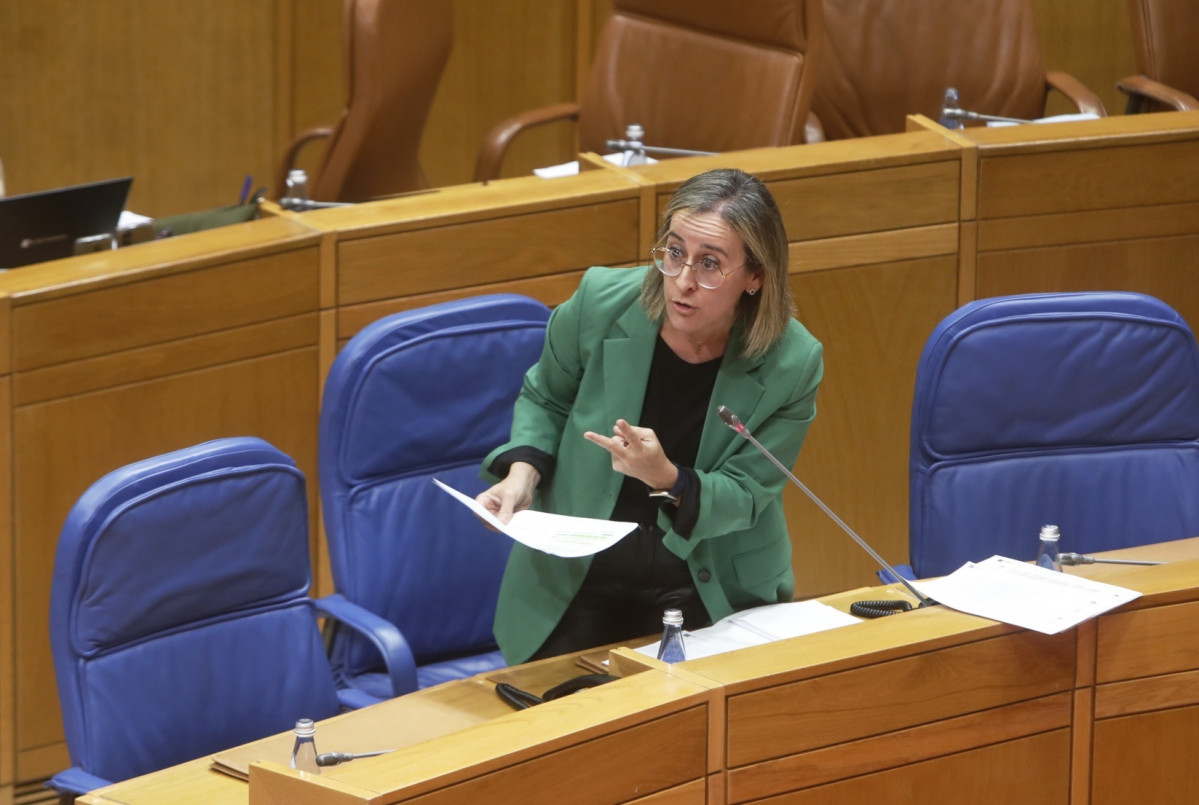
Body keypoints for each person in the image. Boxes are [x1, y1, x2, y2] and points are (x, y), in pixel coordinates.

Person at [477, 167, 823, 664]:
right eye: (675, 252)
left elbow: (749, 493)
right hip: (580, 575)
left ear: (755, 275)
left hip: (704, 580)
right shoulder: (599, 301)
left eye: (710, 264)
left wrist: (665, 477)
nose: (683, 281)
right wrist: (521, 476)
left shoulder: (793, 362)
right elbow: (546, 398)